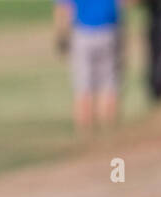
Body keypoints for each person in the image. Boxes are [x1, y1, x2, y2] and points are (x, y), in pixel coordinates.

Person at [54, 0, 129, 133]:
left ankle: (86, 135)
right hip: (109, 30)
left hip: (82, 32)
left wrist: (61, 34)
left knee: (83, 88)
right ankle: (110, 134)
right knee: (109, 86)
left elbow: (63, 7)